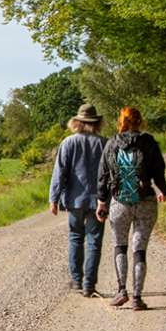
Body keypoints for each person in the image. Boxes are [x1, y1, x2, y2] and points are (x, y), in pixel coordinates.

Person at [97, 107, 166, 311]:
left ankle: (121, 291)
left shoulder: (111, 144)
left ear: (121, 121)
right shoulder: (148, 143)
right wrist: (163, 190)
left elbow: (102, 175)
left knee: (120, 245)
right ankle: (137, 297)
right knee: (140, 248)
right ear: (140, 121)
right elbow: (159, 170)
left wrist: (101, 202)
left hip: (119, 202)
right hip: (145, 201)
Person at [50, 104, 108, 298]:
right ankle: (89, 284)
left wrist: (54, 198)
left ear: (76, 122)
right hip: (99, 201)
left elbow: (60, 172)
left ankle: (76, 281)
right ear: (97, 123)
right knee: (94, 241)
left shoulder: (68, 142)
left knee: (75, 237)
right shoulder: (105, 143)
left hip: (75, 200)